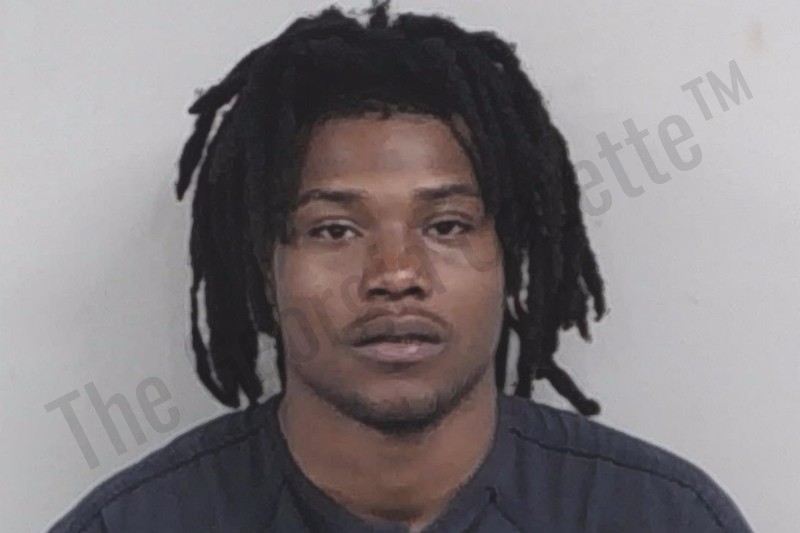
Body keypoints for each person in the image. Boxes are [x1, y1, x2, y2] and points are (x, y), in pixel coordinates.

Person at [48, 2, 754, 531]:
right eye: (334, 229)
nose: (395, 273)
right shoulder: (132, 524)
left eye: (446, 226)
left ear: (510, 257)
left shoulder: (663, 517)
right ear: (267, 267)